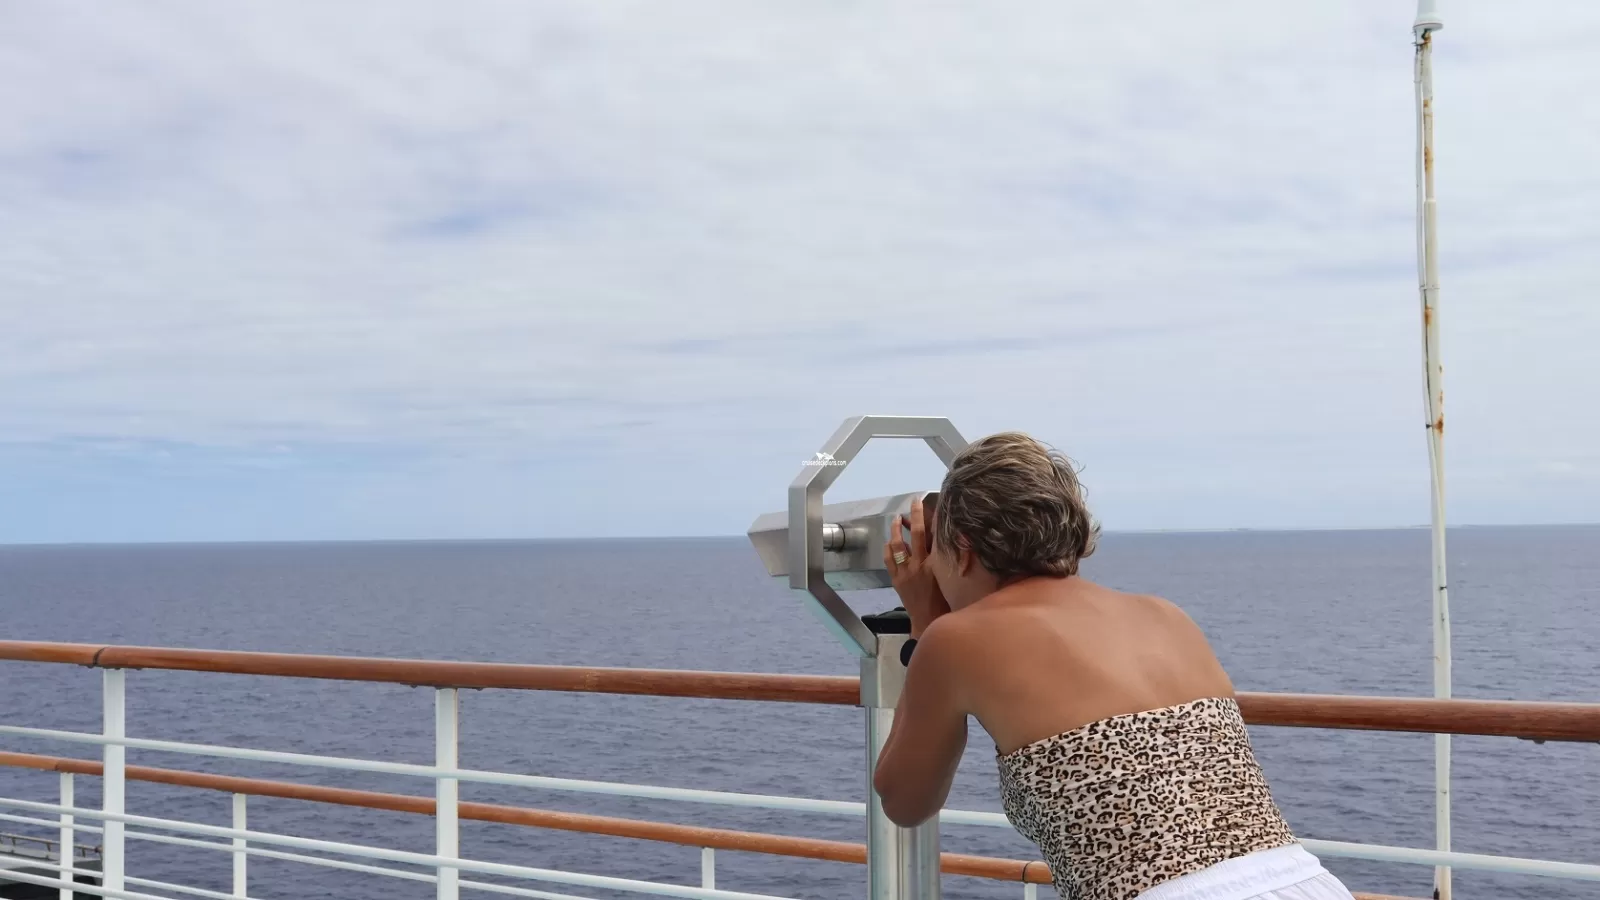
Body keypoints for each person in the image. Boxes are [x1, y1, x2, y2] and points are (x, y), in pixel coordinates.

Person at [871, 432, 1357, 900]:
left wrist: (923, 624)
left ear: (963, 548)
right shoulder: (1166, 616)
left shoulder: (953, 639)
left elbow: (903, 801)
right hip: (1303, 880)